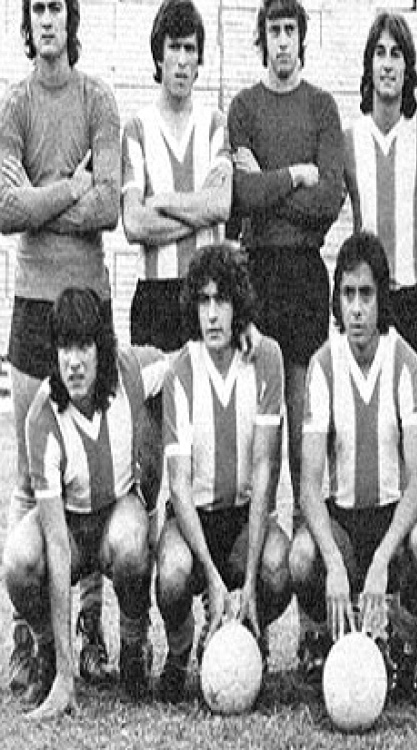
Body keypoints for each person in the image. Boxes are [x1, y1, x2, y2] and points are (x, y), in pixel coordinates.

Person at [0, 0, 121, 698]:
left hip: (88, 302)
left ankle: (90, 627)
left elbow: (108, 205)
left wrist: (42, 200)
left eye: (57, 7)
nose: (48, 19)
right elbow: (3, 209)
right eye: (37, 7)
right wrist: (69, 187)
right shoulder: (15, 105)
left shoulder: (98, 99)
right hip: (30, 305)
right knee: (29, 473)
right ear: (29, 21)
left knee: (93, 471)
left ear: (71, 20)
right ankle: (31, 640)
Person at [2, 287, 169, 720]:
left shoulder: (129, 372)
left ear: (101, 348)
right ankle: (48, 654)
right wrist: (66, 673)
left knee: (132, 540)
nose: (73, 361)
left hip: (117, 513)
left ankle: (133, 646)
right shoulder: (43, 417)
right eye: (64, 348)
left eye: (83, 347)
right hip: (71, 530)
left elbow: (185, 364)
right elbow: (57, 545)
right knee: (18, 560)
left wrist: (244, 334)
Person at [289, 232, 417, 698]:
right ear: (337, 299)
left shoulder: (405, 361)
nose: (356, 308)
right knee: (302, 555)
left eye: (366, 295)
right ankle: (321, 638)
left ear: (381, 298)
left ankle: (404, 640)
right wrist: (335, 563)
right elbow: (309, 487)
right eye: (348, 294)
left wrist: (381, 561)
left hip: (391, 522)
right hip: (344, 525)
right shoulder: (323, 365)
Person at [154, 245, 291, 703]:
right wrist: (213, 579)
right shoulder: (180, 371)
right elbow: (178, 486)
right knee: (173, 573)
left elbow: (265, 468)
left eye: (222, 300)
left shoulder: (265, 358)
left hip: (243, 520)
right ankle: (180, 648)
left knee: (277, 567)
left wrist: (247, 580)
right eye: (203, 301)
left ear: (238, 306)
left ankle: (250, 630)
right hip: (193, 520)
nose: (212, 314)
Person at [227, 0, 344, 507]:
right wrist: (296, 175)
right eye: (273, 30)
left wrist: (268, 185)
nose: (282, 41)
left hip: (304, 276)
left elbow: (330, 201)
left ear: (301, 38)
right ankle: (258, 542)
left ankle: (303, 530)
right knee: (261, 431)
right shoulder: (243, 107)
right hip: (257, 274)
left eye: (289, 30)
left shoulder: (321, 107)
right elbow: (241, 195)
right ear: (263, 38)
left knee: (302, 426)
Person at [121, 0, 232, 521]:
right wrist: (195, 210)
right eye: (174, 48)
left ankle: (192, 555)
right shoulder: (137, 129)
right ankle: (143, 553)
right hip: (156, 298)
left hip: (204, 298)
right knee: (149, 451)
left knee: (201, 439)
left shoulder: (214, 124)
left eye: (191, 49)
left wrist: (162, 200)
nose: (183, 60)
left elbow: (222, 206)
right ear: (158, 55)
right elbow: (134, 224)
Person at [343, 12, 417, 365]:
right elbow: (324, 206)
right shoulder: (349, 140)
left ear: (407, 67)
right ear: (369, 65)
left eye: (396, 54)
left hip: (410, 303)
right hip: (366, 301)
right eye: (380, 53)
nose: (387, 64)